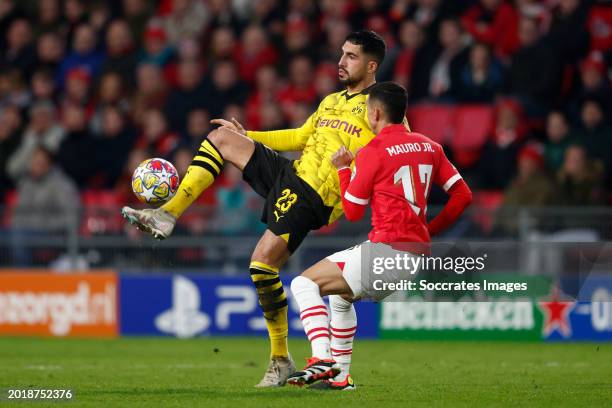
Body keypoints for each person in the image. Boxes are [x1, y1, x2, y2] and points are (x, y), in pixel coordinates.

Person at [122, 30, 398, 387]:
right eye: (342, 54)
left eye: (352, 57)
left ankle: (281, 358)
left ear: (372, 65)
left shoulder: (384, 109)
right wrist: (249, 135)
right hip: (292, 174)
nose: (341, 62)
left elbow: (396, 154)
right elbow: (299, 137)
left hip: (316, 195)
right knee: (222, 139)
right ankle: (167, 214)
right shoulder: (331, 101)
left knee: (261, 263)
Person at [286, 82, 472, 389]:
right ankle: (341, 378)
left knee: (304, 283)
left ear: (375, 113)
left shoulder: (372, 151)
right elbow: (463, 196)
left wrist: (344, 170)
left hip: (385, 251)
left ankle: (323, 359)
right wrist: (428, 230)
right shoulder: (430, 146)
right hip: (411, 259)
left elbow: (354, 211)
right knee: (341, 300)